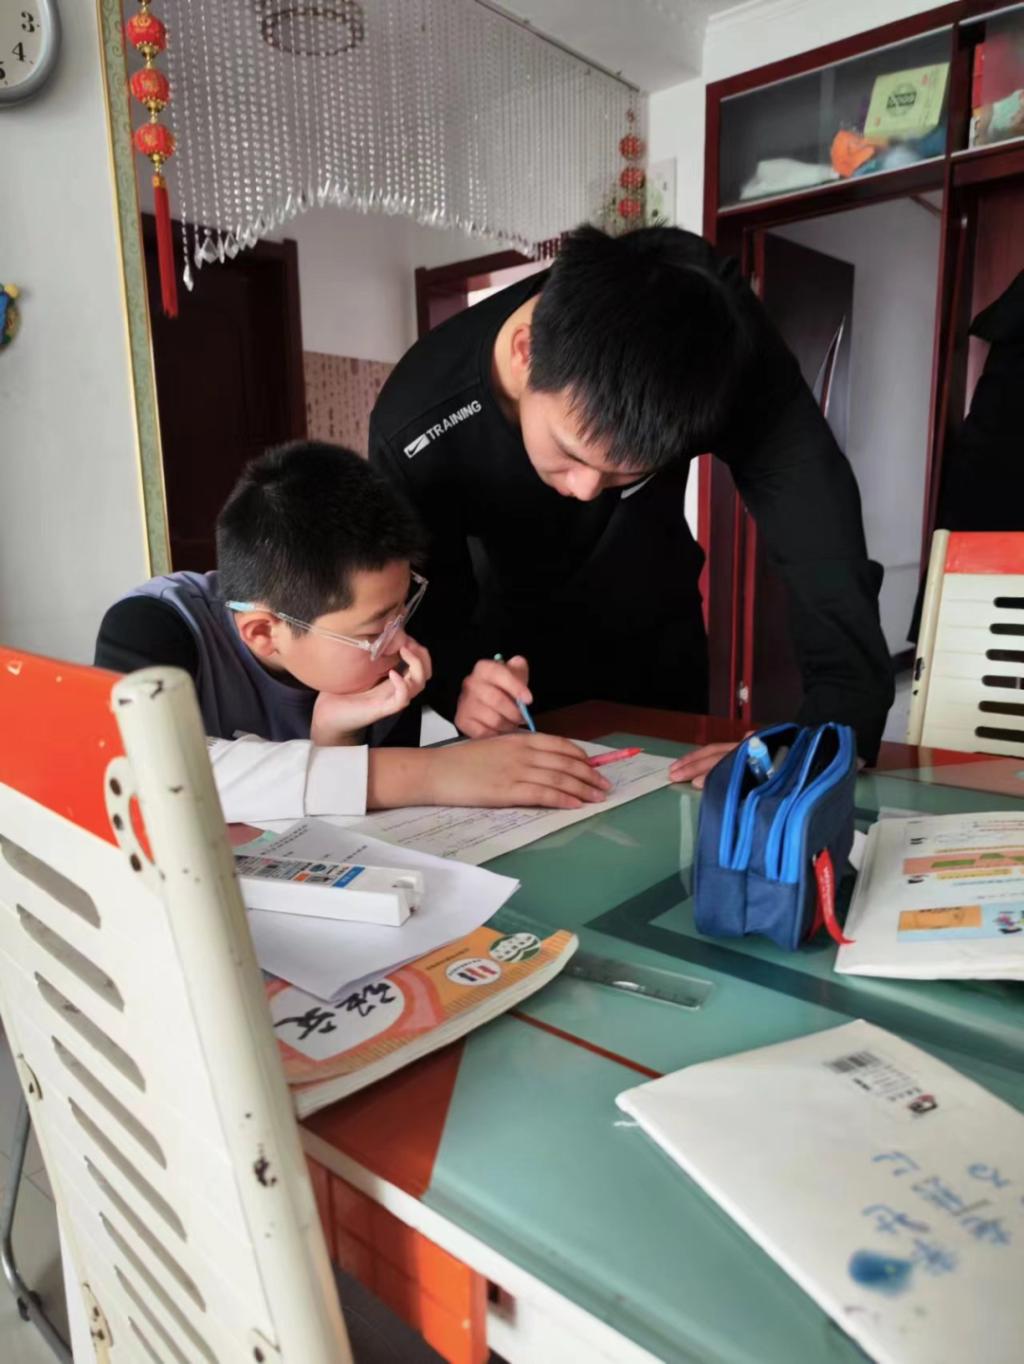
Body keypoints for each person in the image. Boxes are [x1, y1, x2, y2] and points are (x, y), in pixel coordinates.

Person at [369, 225, 894, 786]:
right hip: (516, 660)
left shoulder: (712, 339)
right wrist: (460, 682)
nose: (586, 490)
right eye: (569, 453)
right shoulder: (414, 419)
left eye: (625, 472)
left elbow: (818, 526)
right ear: (525, 353)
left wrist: (835, 728)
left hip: (658, 632)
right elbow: (415, 603)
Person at [94, 442, 611, 822]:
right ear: (264, 633)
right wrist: (431, 773)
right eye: (375, 629)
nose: (400, 641)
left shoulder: (378, 634)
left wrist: (336, 734)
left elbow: (342, 827)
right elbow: (144, 773)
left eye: (403, 610)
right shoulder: (154, 629)